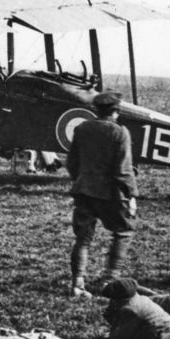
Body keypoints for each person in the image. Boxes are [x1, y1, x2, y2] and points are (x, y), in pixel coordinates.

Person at [67, 91, 137, 297]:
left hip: (84, 190)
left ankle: (77, 283)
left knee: (83, 239)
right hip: (110, 195)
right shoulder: (120, 132)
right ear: (115, 111)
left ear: (96, 110)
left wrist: (80, 180)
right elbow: (123, 170)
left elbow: (72, 163)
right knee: (124, 231)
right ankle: (110, 279)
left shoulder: (81, 129)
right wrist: (131, 195)